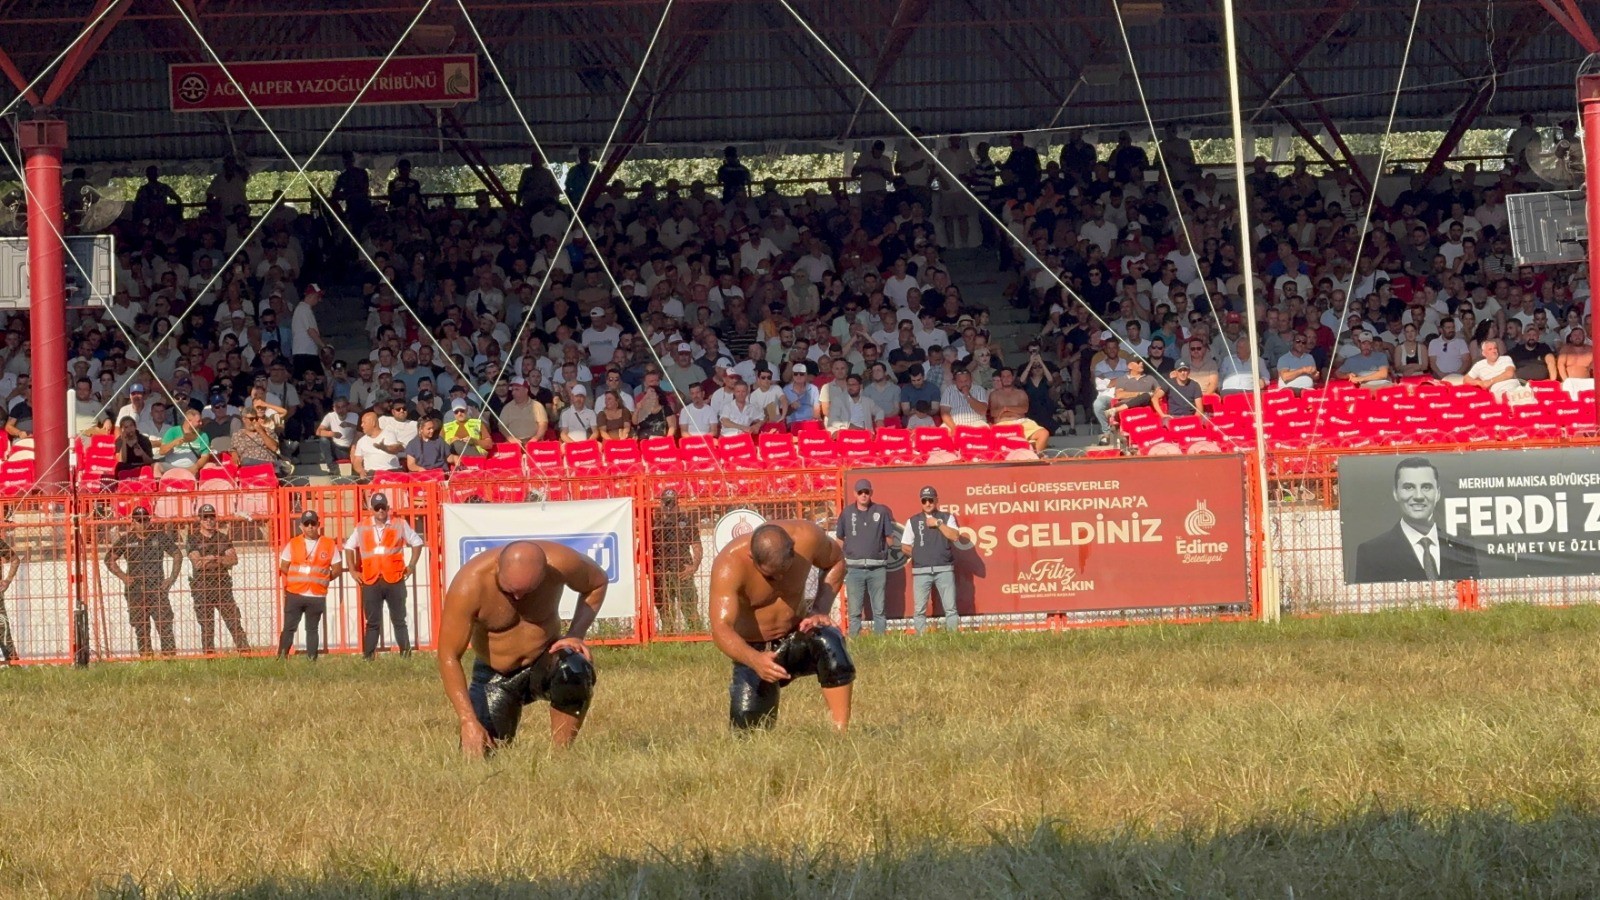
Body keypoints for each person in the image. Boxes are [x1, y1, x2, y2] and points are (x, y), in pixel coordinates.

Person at [438, 540, 606, 755]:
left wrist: (576, 635)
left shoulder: (561, 562)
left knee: (573, 667)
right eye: (510, 591)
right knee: (482, 753)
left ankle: (560, 757)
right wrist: (467, 721)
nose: (518, 598)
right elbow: (448, 656)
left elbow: (597, 582)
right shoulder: (470, 584)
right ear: (498, 567)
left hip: (544, 658)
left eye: (528, 591)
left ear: (545, 571)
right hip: (495, 674)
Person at [708, 520, 853, 731]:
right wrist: (755, 660)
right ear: (751, 556)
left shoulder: (807, 537)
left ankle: (842, 733)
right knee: (748, 734)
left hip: (796, 635)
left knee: (829, 639)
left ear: (794, 548)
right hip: (755, 650)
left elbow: (837, 560)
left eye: (785, 569)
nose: (779, 578)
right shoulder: (729, 564)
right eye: (770, 575)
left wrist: (820, 609)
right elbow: (721, 628)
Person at [1352, 457, 1480, 583]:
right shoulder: (1372, 553)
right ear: (1395, 493)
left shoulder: (1462, 545)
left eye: (1426, 487)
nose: (1418, 496)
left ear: (1438, 493)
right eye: (1409, 487)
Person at [344, 492, 425, 659]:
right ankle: (368, 656)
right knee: (372, 622)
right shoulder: (362, 526)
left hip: (394, 579)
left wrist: (411, 566)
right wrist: (352, 570)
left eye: (383, 507)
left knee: (399, 620)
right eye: (377, 507)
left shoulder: (399, 524)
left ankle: (406, 654)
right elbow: (349, 547)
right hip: (371, 580)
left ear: (388, 508)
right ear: (371, 509)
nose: (380, 510)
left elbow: (417, 542)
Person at [104, 507, 181, 657]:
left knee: (164, 624)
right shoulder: (127, 539)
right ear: (133, 522)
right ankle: (146, 657)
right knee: (141, 627)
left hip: (157, 588)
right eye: (139, 520)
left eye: (145, 520)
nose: (143, 523)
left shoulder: (159, 536)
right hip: (136, 591)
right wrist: (124, 577)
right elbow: (109, 559)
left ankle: (170, 657)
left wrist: (171, 579)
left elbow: (177, 554)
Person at [277, 509, 342, 660]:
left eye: (313, 523)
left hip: (316, 594)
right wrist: (298, 578)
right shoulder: (293, 543)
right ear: (301, 527)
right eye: (307, 524)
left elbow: (337, 569)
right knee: (289, 628)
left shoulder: (329, 544)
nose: (310, 527)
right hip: (295, 593)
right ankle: (281, 658)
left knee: (312, 629)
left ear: (318, 524)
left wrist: (322, 579)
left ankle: (312, 660)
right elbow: (284, 566)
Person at [836, 479, 897, 636]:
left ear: (871, 493)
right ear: (855, 494)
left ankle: (880, 642)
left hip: (877, 568)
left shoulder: (881, 511)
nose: (863, 495)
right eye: (860, 492)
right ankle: (855, 642)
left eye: (866, 492)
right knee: (854, 611)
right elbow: (840, 539)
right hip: (854, 569)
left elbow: (889, 537)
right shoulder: (847, 513)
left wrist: (881, 551)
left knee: (879, 609)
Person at [187, 503, 250, 654]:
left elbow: (233, 559)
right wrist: (221, 559)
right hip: (202, 587)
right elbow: (197, 564)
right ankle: (209, 657)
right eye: (205, 517)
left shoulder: (222, 538)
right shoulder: (193, 538)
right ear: (200, 520)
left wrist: (212, 558)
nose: (209, 520)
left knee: (234, 621)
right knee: (207, 625)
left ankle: (246, 653)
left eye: (211, 517)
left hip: (222, 586)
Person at [900, 486, 961, 634]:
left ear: (936, 500)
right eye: (924, 500)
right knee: (919, 609)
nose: (927, 503)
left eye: (930, 500)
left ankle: (953, 639)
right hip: (921, 571)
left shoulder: (947, 517)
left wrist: (938, 523)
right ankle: (921, 640)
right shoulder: (913, 521)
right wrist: (921, 554)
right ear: (921, 501)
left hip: (944, 568)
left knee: (950, 608)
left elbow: (955, 536)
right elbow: (904, 546)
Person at [651, 489, 703, 631]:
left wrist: (694, 566)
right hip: (661, 571)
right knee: (665, 610)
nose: (668, 505)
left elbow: (697, 546)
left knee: (690, 607)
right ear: (661, 503)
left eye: (671, 502)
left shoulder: (685, 522)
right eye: (665, 502)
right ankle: (668, 636)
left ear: (676, 502)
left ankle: (696, 635)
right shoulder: (654, 524)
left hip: (682, 570)